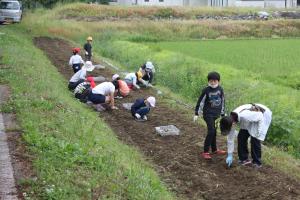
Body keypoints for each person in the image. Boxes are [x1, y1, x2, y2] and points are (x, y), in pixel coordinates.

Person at [220, 103, 272, 168]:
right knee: (241, 136)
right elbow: (230, 139)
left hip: (263, 114)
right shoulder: (229, 120)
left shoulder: (245, 116)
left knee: (255, 138)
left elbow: (260, 116)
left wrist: (259, 131)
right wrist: (230, 154)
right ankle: (244, 159)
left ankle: (257, 162)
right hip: (251, 117)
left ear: (233, 124)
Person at [194, 71, 226, 159]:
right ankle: (205, 151)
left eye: (215, 81)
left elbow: (223, 101)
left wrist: (223, 113)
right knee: (211, 131)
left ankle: (215, 149)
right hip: (208, 114)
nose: (213, 82)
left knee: (214, 132)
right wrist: (196, 113)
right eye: (211, 81)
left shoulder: (220, 89)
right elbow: (200, 102)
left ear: (218, 81)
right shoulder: (206, 90)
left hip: (217, 115)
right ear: (208, 81)